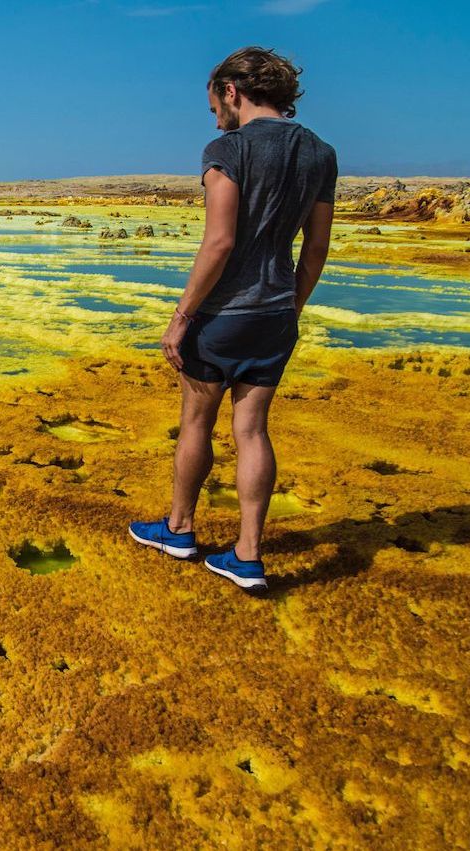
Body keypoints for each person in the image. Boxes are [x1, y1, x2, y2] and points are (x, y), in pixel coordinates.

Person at [128, 46, 338, 592]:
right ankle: (247, 554)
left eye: (214, 102)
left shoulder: (229, 148)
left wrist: (181, 317)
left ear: (232, 91)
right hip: (274, 314)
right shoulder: (319, 152)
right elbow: (316, 247)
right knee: (252, 431)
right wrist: (291, 305)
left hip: (221, 314)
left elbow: (218, 242)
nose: (214, 115)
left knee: (197, 422)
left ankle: (179, 529)